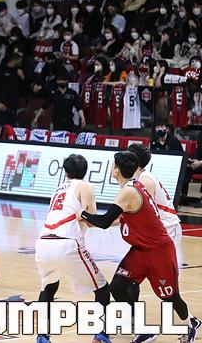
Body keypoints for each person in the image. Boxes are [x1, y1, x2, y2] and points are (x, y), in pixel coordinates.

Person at [79, 151, 201, 343]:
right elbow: (116, 219)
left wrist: (82, 214)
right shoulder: (132, 187)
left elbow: (104, 221)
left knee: (170, 296)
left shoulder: (130, 191)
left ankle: (191, 324)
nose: (111, 168)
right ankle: (143, 329)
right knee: (118, 286)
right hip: (140, 250)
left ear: (117, 170)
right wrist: (91, 221)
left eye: (113, 165)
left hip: (158, 250)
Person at [35, 155, 110, 343]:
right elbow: (91, 219)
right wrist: (118, 221)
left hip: (43, 241)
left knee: (49, 287)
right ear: (85, 170)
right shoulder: (86, 186)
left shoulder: (57, 189)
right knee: (102, 288)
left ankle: (42, 335)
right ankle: (101, 334)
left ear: (65, 171)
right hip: (67, 242)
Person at [127, 144, 182, 245]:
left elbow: (147, 212)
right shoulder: (138, 177)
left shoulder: (145, 181)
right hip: (158, 227)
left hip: (167, 226)